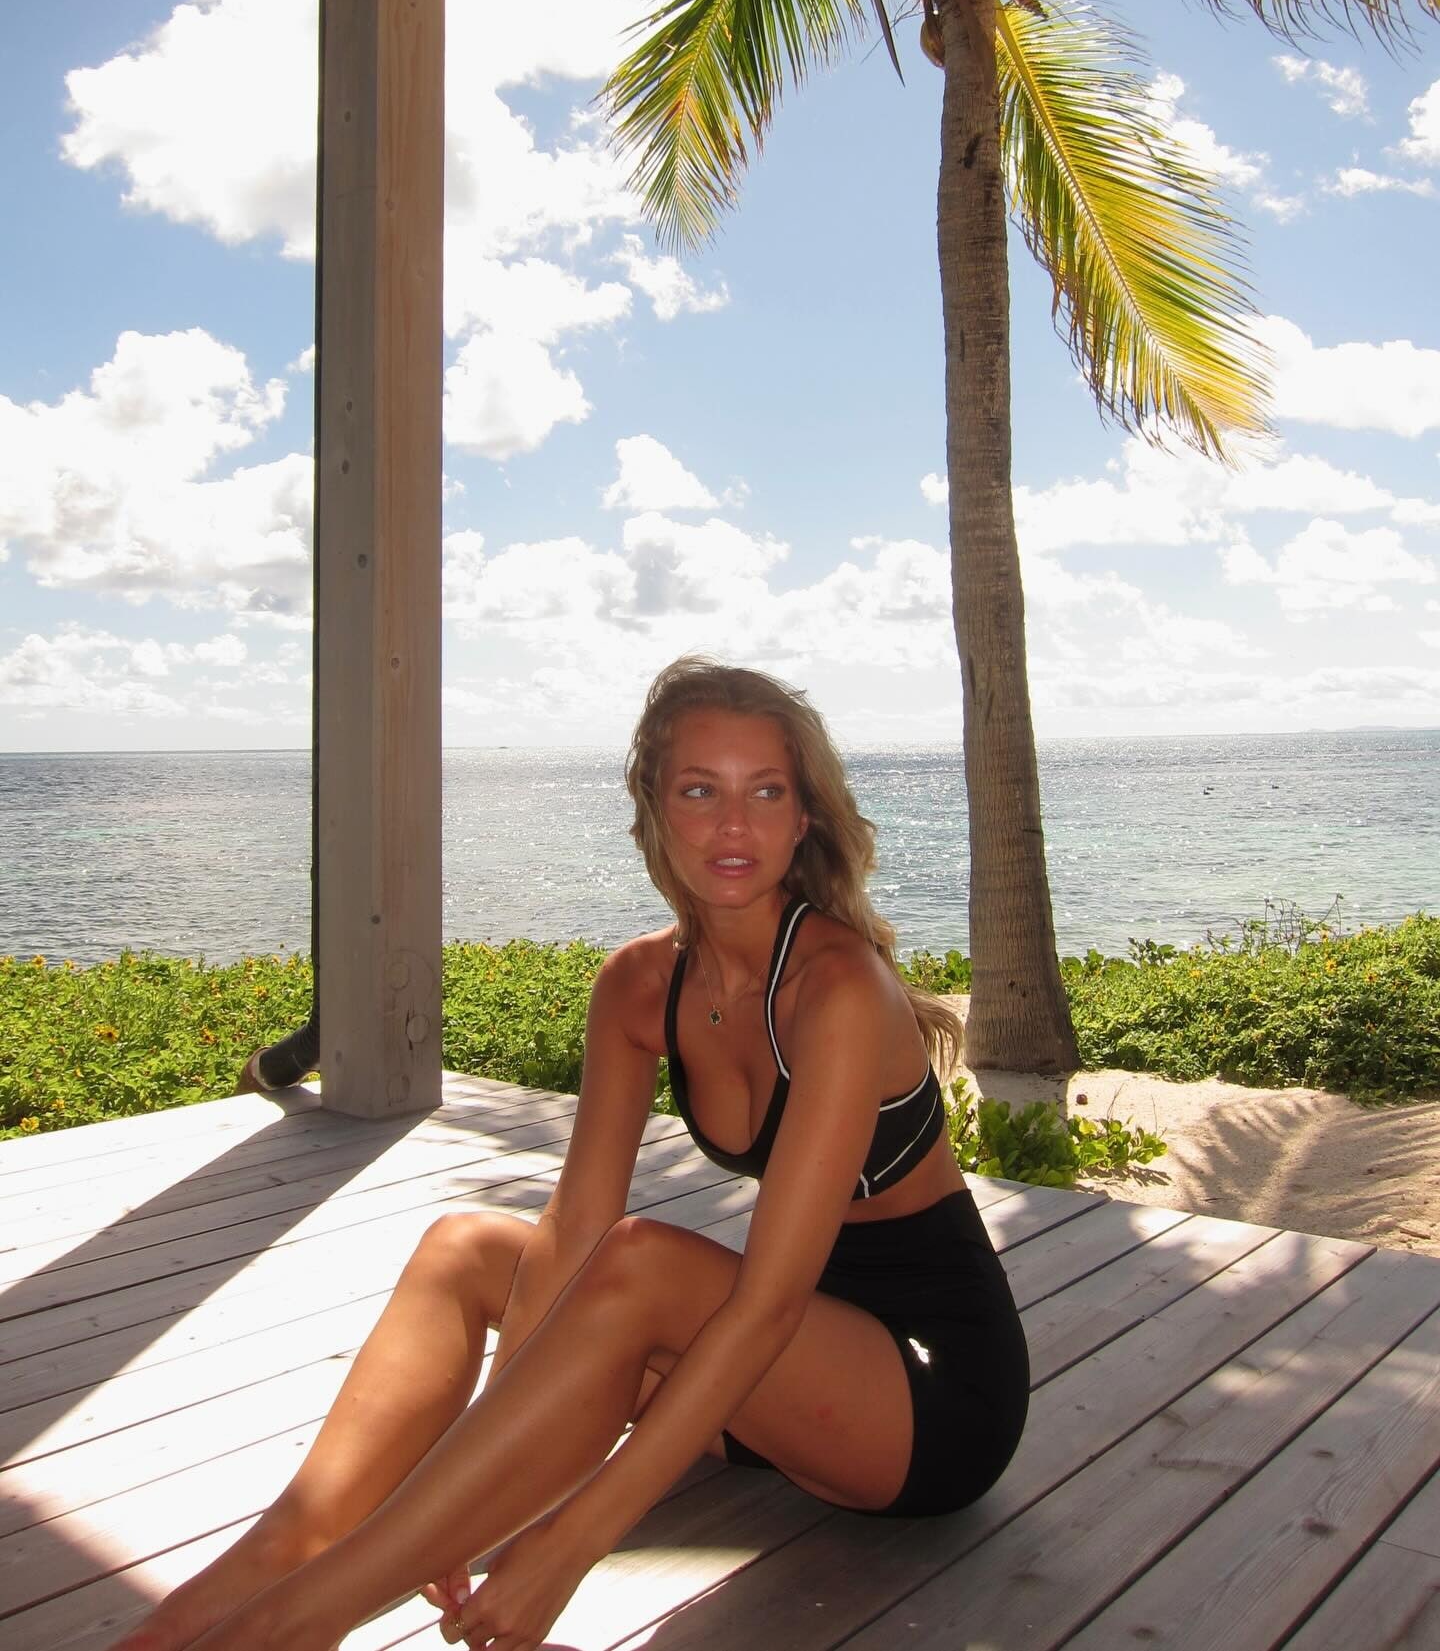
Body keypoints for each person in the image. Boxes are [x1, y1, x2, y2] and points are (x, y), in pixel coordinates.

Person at [114, 657, 1028, 1651]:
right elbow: (576, 1228)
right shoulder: (639, 986)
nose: (734, 824)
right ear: (654, 808)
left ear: (803, 816)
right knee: (467, 1249)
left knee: (645, 1264)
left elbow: (765, 1304)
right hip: (770, 1394)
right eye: (700, 790)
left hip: (924, 1397)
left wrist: (565, 1540)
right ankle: (269, 1560)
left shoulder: (838, 988)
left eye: (766, 791)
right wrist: (486, 1476)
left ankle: (298, 1623)